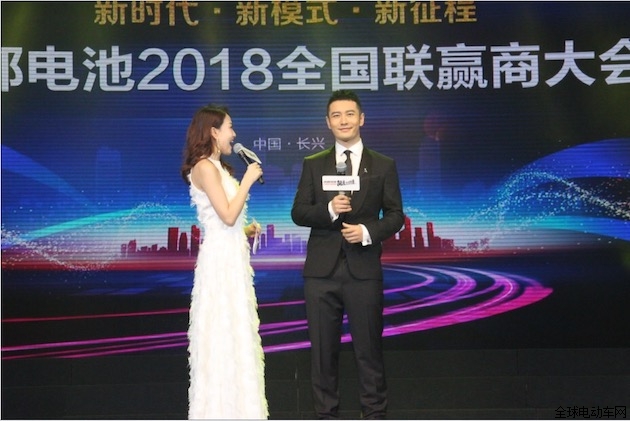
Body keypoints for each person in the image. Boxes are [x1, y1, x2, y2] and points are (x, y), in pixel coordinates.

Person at [291, 90, 405, 419]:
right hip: (321, 274)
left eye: (350, 114)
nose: (344, 121)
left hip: (363, 271)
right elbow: (299, 212)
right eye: (336, 115)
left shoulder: (383, 165)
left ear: (361, 119)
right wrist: (328, 209)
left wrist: (367, 232)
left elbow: (396, 215)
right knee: (322, 355)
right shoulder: (314, 164)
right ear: (328, 122)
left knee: (369, 352)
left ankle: (374, 415)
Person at [180, 105, 268, 419]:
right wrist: (248, 180)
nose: (234, 134)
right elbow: (228, 215)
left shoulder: (218, 167)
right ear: (214, 131)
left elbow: (226, 223)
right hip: (219, 265)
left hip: (232, 259)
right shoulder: (205, 167)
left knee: (237, 337)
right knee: (221, 337)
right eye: (230, 127)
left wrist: (246, 230)